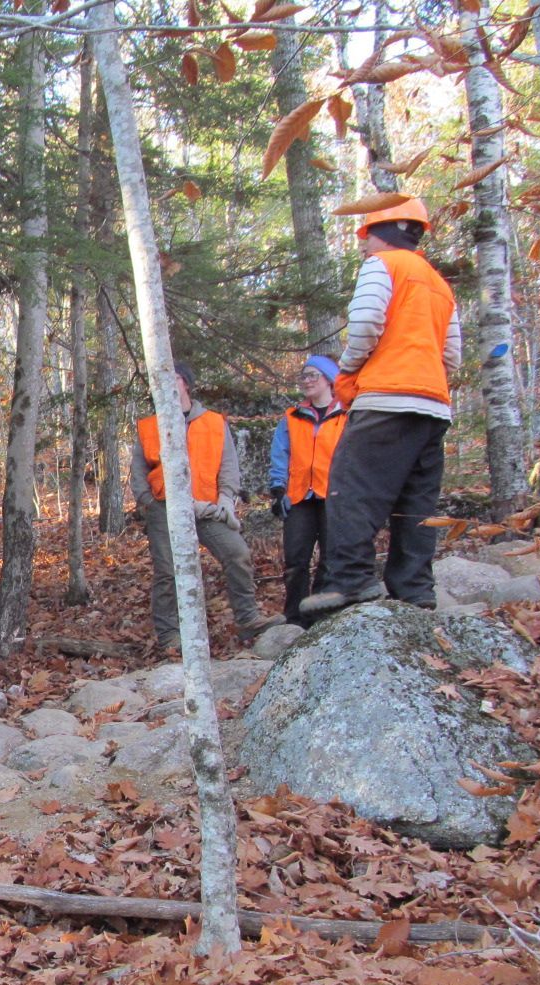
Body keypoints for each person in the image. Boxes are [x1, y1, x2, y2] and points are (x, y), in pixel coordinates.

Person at [302, 197, 460, 615]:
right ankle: (415, 591)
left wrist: (347, 370)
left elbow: (367, 323)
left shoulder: (382, 266)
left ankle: (352, 580)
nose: (364, 246)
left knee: (351, 489)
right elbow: (452, 355)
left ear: (378, 234)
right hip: (433, 407)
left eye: (366, 238)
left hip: (386, 399)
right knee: (416, 503)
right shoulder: (439, 285)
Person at [131, 363, 282, 653]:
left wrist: (225, 501)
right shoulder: (149, 426)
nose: (167, 384)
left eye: (173, 378)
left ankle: (248, 619)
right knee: (168, 571)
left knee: (237, 554)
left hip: (207, 508)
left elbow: (228, 467)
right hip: (164, 507)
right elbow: (138, 471)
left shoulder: (214, 422)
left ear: (186, 383)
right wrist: (148, 503)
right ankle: (170, 636)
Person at [268, 355, 347, 626]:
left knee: (330, 558)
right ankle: (295, 619)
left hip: (334, 496)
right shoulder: (291, 418)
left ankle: (321, 615)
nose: (307, 381)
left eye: (313, 375)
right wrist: (278, 490)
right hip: (299, 496)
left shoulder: (347, 416)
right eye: (304, 376)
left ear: (329, 380)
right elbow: (280, 455)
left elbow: (355, 457)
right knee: (295, 561)